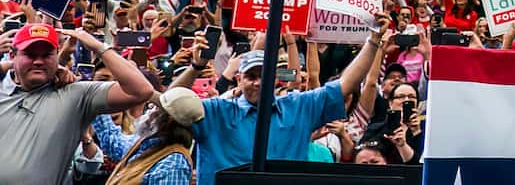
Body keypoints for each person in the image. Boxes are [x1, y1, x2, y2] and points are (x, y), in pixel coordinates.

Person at [172, 22, 382, 180]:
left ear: (275, 78)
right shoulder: (217, 111)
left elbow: (346, 84)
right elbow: (169, 105)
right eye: (251, 77)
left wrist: (373, 41)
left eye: (264, 76)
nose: (258, 83)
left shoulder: (298, 106)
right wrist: (196, 67)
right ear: (239, 79)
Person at [0, 22, 155, 185]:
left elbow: (142, 90)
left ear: (56, 55)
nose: (38, 61)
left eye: (47, 55)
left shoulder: (76, 94)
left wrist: (98, 47)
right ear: (12, 55)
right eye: (30, 55)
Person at [98, 87, 204, 185]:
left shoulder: (173, 163)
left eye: (156, 107)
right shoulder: (147, 145)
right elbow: (112, 141)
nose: (150, 106)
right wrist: (94, 99)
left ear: (166, 120)